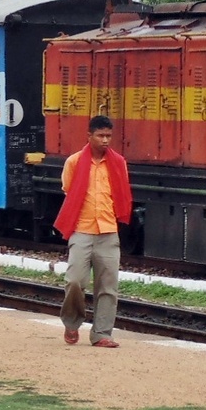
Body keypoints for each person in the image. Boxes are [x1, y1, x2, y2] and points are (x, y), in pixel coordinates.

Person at [55, 114, 132, 348]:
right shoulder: (74, 162)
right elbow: (69, 191)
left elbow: (121, 193)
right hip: (82, 229)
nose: (105, 140)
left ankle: (102, 334)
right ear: (89, 136)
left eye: (109, 136)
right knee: (75, 281)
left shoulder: (118, 162)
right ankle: (71, 322)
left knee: (108, 286)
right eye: (100, 136)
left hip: (108, 231)